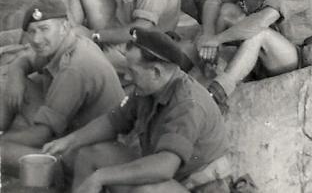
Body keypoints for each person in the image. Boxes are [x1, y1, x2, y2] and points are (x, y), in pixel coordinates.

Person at [43, 28, 230, 193]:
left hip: (199, 186)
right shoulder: (149, 89)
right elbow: (113, 121)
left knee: (144, 190)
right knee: (89, 154)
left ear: (156, 72)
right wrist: (69, 141)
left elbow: (164, 166)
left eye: (132, 71)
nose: (126, 76)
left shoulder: (187, 104)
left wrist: (101, 176)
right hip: (173, 179)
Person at [0, 0, 124, 176]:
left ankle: (55, 178)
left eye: (44, 29)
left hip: (88, 148)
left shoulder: (73, 68)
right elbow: (26, 59)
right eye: (31, 31)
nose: (36, 39)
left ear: (64, 27)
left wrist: (3, 140)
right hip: (75, 127)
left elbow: (40, 135)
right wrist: (15, 73)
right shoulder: (68, 42)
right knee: (6, 81)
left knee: (2, 152)